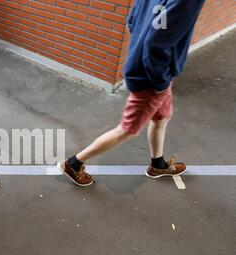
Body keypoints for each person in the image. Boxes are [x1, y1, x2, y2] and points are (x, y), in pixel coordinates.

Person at [58, 0, 206, 186]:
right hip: (153, 77)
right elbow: (155, 43)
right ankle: (73, 164)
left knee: (162, 117)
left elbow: (132, 21)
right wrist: (159, 80)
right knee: (126, 130)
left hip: (149, 69)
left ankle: (157, 164)